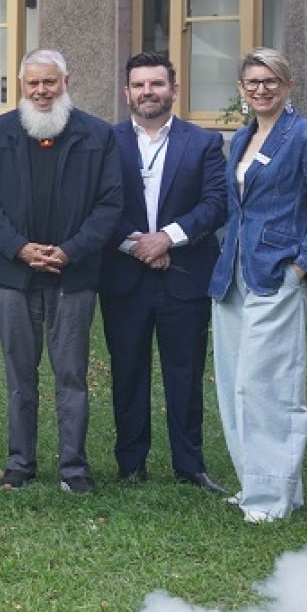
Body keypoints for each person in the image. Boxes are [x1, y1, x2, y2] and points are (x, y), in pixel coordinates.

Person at [0, 49, 122, 494]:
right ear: (21, 85)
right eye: (33, 83)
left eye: (49, 82)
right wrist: (19, 248)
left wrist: (70, 251)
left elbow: (110, 204)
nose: (41, 91)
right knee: (20, 374)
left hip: (74, 275)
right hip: (15, 275)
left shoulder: (97, 135)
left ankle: (74, 467)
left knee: (71, 374)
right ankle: (20, 462)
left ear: (65, 82)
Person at [99, 53, 229, 492]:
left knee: (185, 372)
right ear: (127, 93)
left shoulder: (204, 142)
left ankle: (189, 465)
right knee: (127, 370)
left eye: (156, 84)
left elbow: (216, 203)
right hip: (124, 276)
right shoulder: (106, 141)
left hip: (185, 275)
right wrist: (137, 245)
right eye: (139, 85)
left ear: (174, 89)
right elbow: (96, 202)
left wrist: (168, 238)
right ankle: (130, 463)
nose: (147, 92)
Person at [208, 49, 307, 523]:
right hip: (233, 276)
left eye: (271, 81)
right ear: (241, 88)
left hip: (278, 274)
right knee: (235, 385)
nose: (261, 89)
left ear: (288, 86)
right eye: (253, 82)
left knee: (268, 387)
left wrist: (303, 269)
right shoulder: (241, 138)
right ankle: (260, 486)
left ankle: (271, 500)